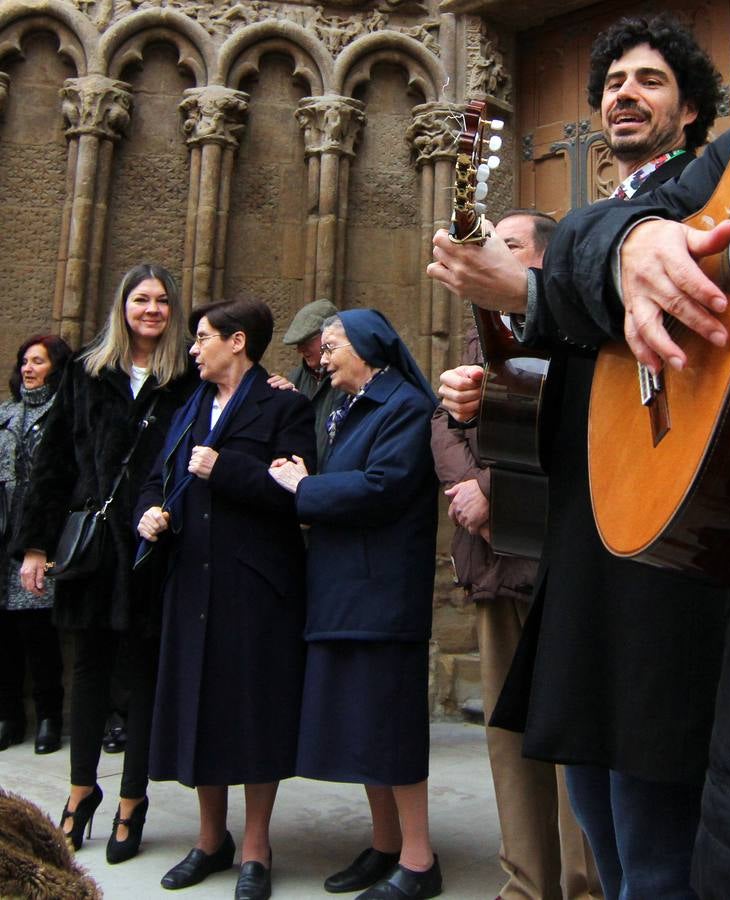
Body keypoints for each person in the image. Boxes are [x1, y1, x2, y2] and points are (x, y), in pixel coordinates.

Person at [428, 15, 730, 899]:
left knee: (656, 857)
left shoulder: (703, 199)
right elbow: (602, 372)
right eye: (610, 84)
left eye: (648, 81)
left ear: (691, 108)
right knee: (601, 837)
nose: (622, 95)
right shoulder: (600, 226)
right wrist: (513, 393)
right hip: (583, 558)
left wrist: (526, 289)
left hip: (657, 557)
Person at [430, 211, 601, 900]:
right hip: (491, 563)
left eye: (506, 245)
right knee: (507, 733)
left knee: (565, 733)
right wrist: (466, 484)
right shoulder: (481, 332)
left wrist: (493, 488)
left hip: (554, 560)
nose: (488, 255)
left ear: (541, 263)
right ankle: (526, 884)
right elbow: (444, 422)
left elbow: (575, 423)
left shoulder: (573, 328)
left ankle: (583, 884)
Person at [136, 297, 316, 900]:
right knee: (200, 708)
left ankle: (257, 847)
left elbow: (298, 490)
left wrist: (228, 468)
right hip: (193, 579)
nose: (193, 348)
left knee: (253, 712)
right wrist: (149, 515)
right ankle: (210, 839)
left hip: (256, 583)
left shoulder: (285, 404)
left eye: (203, 337)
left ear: (237, 342)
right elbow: (156, 477)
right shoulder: (189, 407)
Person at [16, 263, 196, 864]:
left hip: (154, 544)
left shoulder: (187, 376)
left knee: (142, 671)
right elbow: (53, 466)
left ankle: (132, 800)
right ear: (122, 306)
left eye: (163, 301)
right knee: (89, 668)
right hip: (94, 544)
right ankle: (80, 790)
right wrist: (36, 546)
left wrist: (274, 386)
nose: (152, 310)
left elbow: (236, 401)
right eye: (141, 299)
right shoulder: (86, 373)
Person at [269, 309, 442, 900]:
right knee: (367, 730)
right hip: (347, 589)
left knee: (391, 729)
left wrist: (304, 487)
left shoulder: (404, 407)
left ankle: (419, 862)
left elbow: (382, 486)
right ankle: (387, 845)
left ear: (367, 349)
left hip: (382, 593)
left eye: (334, 344)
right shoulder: (352, 405)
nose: (324, 355)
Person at [0, 334, 71, 755]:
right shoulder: (5, 414)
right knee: (4, 632)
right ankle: (8, 715)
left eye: (38, 362)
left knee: (38, 629)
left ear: (56, 368)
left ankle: (48, 716)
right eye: (24, 361)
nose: (28, 369)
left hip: (42, 533)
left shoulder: (64, 414)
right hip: (4, 534)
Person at [268, 298, 345, 470]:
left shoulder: (347, 378)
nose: (300, 349)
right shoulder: (295, 377)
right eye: (298, 343)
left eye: (307, 341)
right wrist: (287, 403)